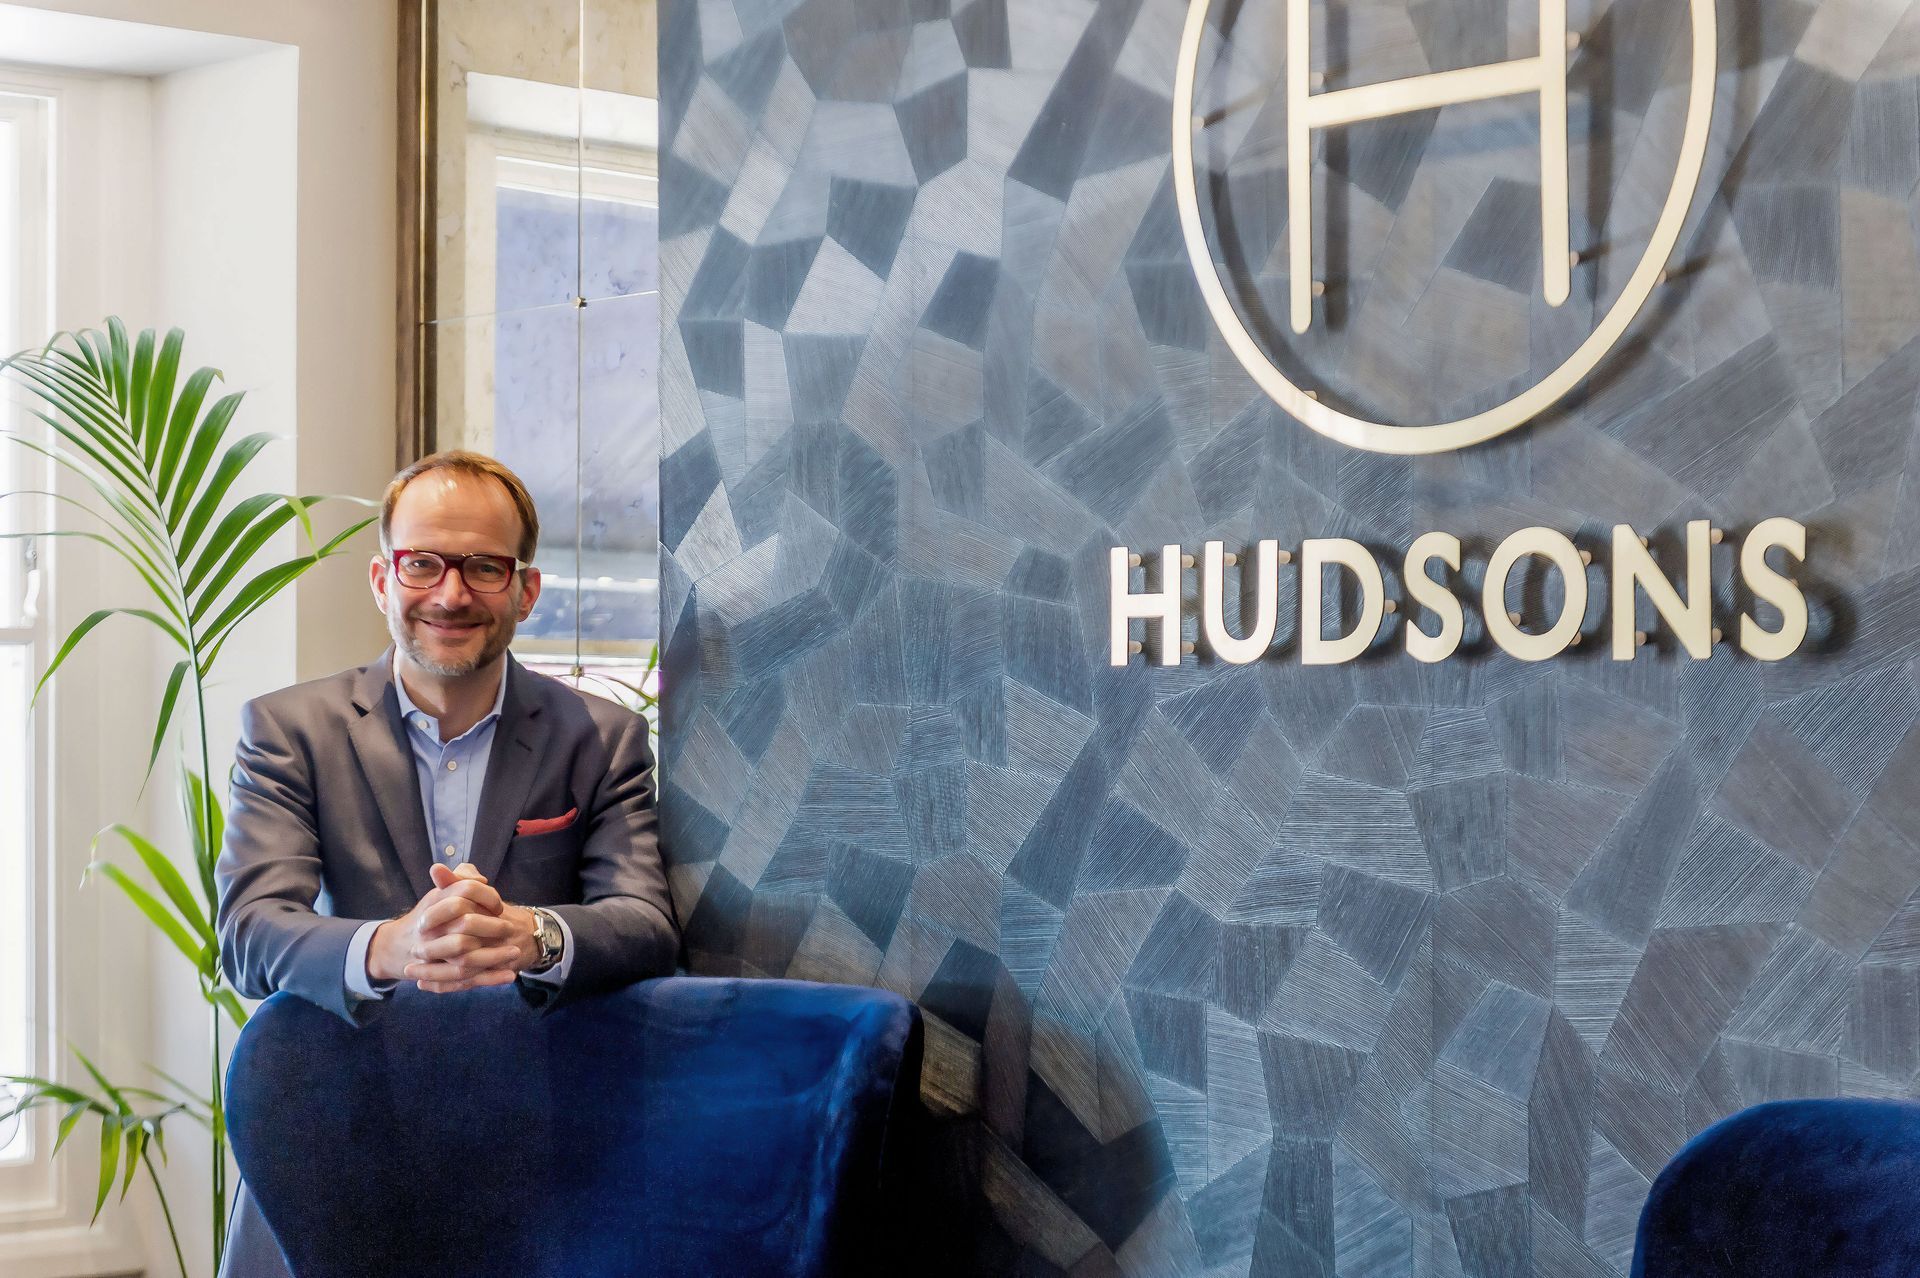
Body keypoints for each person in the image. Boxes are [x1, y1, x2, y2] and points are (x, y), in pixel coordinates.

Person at [213, 449, 678, 1277]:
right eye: (422, 563)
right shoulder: (288, 731)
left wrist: (532, 936)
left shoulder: (602, 740)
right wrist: (390, 946)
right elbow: (250, 933)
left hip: (540, 1164)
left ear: (526, 590)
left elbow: (647, 924)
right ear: (382, 580)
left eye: (484, 567)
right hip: (328, 1145)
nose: (451, 593)